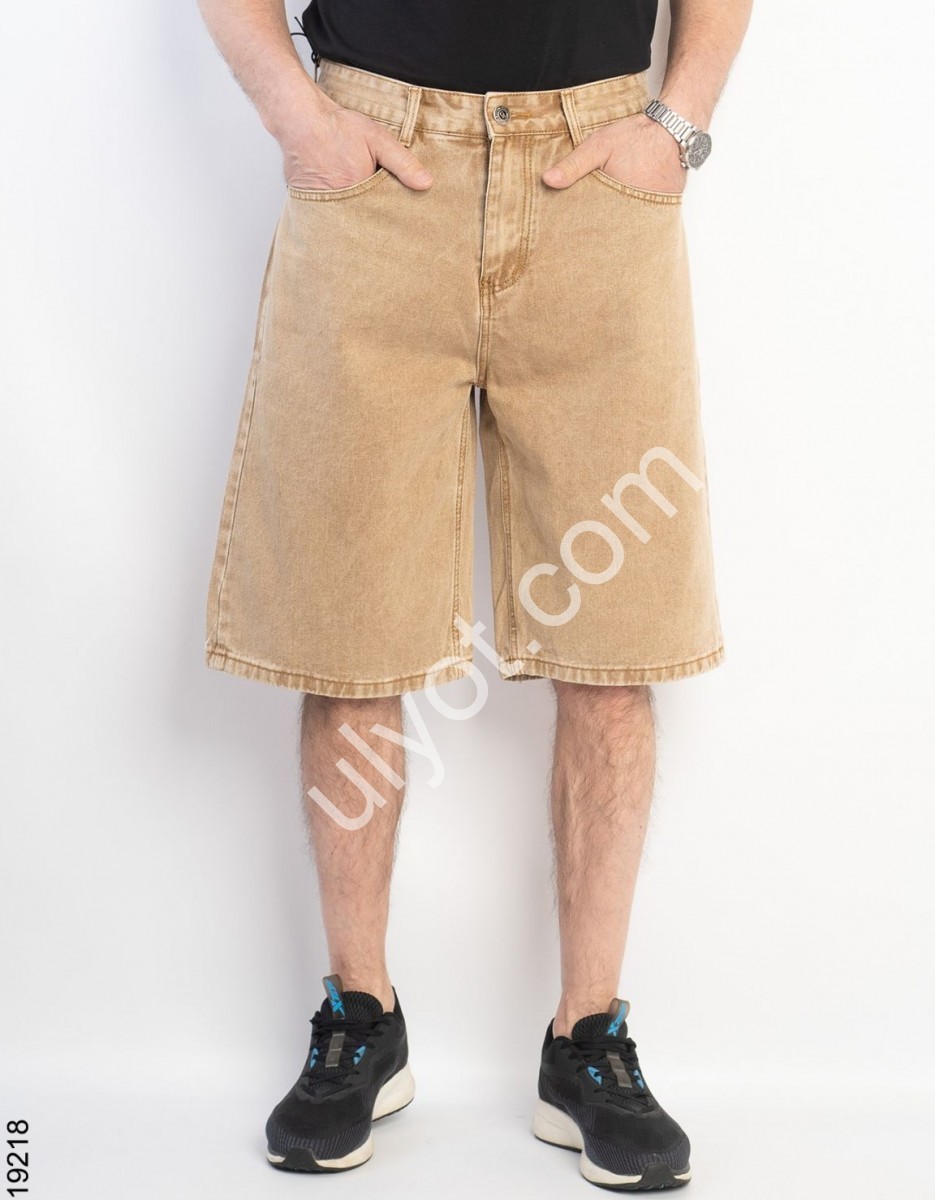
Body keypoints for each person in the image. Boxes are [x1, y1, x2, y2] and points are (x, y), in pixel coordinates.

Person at [197, 0, 751, 1188]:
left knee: (618, 641)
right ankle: (359, 1017)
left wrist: (677, 124)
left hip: (595, 173)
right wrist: (298, 117)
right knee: (350, 631)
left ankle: (586, 1041)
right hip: (374, 174)